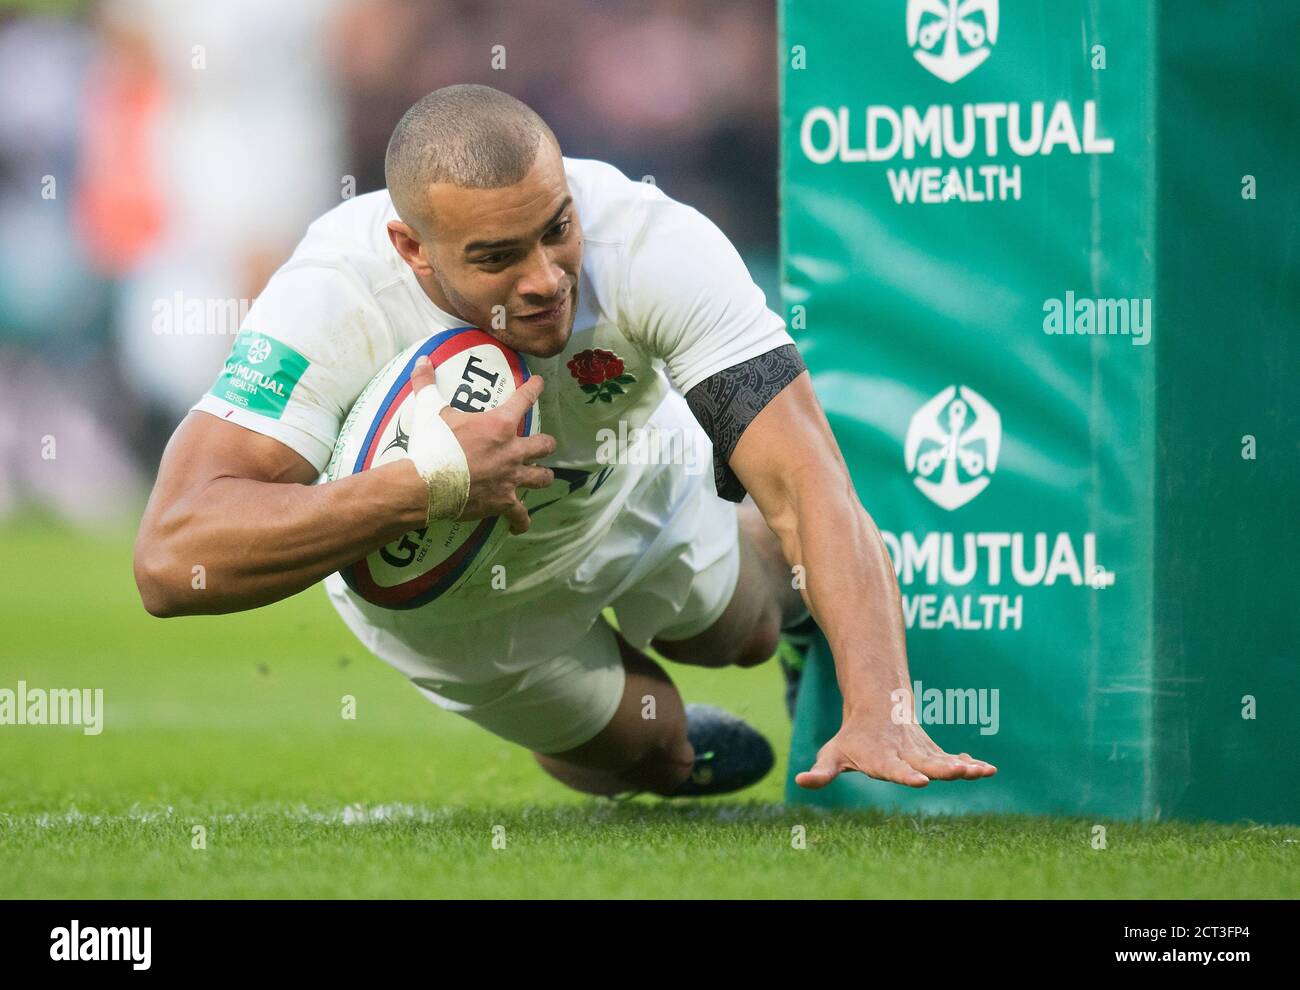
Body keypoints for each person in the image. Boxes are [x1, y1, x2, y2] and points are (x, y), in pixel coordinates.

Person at [134, 84, 996, 798]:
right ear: (412, 249)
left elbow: (808, 478)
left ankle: (792, 623)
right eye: (498, 256)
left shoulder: (653, 243)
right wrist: (428, 483)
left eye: (556, 228)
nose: (546, 279)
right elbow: (173, 558)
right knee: (642, 756)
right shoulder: (329, 297)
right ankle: (633, 734)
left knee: (739, 635)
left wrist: (880, 701)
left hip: (627, 486)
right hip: (447, 607)